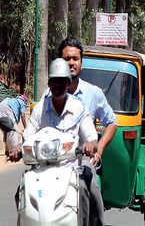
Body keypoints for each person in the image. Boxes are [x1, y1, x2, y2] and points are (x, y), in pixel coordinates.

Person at [8, 58, 103, 226]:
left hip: (72, 168)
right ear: (49, 84)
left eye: (62, 81)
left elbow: (92, 136)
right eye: (54, 81)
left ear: (68, 83)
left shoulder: (78, 108)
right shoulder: (40, 108)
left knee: (89, 189)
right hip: (41, 169)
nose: (58, 85)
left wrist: (90, 144)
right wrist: (18, 149)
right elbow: (28, 136)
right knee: (21, 191)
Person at [42, 37, 118, 165]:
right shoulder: (47, 95)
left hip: (81, 164)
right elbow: (34, 129)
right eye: (67, 59)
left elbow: (112, 123)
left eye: (75, 59)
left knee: (90, 184)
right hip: (50, 163)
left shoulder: (94, 93)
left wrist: (97, 149)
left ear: (81, 63)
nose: (71, 63)